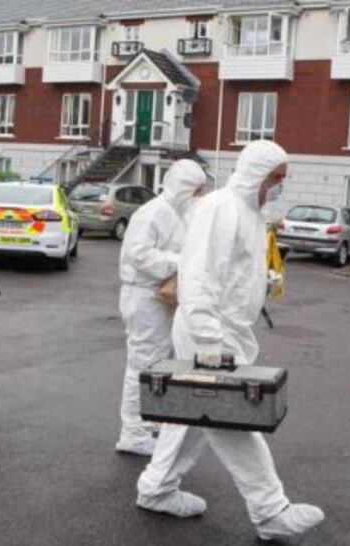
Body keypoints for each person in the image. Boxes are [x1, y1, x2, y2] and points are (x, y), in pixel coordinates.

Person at [135, 140, 324, 542]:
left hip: (227, 329)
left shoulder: (250, 214)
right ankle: (270, 510)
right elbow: (199, 273)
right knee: (234, 419)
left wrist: (263, 281)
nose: (280, 187)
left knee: (194, 414)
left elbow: (233, 269)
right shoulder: (222, 208)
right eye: (276, 179)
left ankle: (156, 488)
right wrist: (208, 339)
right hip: (211, 332)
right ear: (258, 175)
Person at [115, 159, 208, 456]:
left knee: (159, 362)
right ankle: (133, 431)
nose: (200, 196)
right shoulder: (153, 213)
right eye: (196, 190)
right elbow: (138, 255)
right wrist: (179, 263)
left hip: (162, 296)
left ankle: (147, 421)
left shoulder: (179, 214)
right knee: (142, 363)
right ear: (183, 187)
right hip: (144, 296)